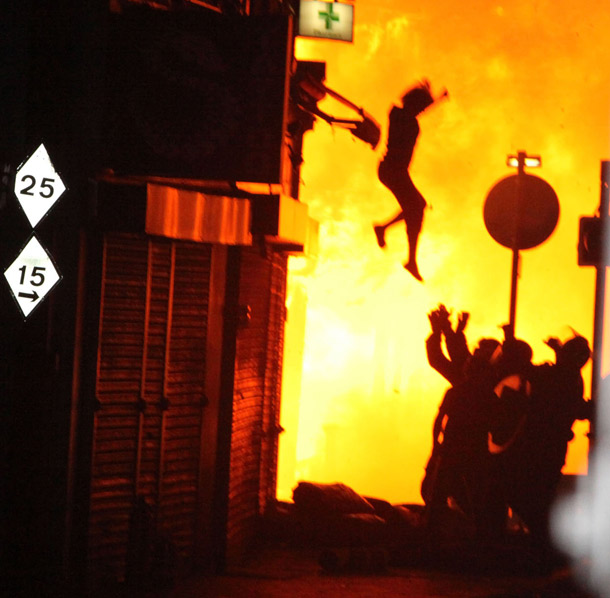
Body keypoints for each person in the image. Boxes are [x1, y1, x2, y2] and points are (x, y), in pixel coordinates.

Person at [373, 80, 447, 282]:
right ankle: (409, 258)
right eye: (421, 106)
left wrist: (437, 100)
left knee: (417, 206)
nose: (422, 110)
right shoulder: (402, 117)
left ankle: (387, 232)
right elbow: (413, 113)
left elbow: (415, 110)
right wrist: (435, 100)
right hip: (392, 171)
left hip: (395, 171)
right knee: (416, 206)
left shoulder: (399, 114)